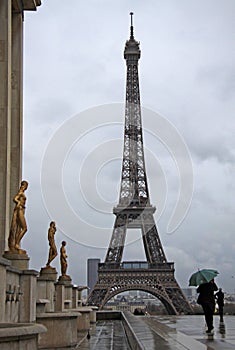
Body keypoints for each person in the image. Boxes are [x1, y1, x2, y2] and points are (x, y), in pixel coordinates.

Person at [8, 180, 28, 252]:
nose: (26, 188)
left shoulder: (22, 192)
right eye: (26, 186)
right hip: (19, 210)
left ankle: (16, 244)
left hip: (21, 209)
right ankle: (16, 243)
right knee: (25, 228)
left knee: (19, 228)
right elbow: (15, 198)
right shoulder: (21, 191)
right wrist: (19, 202)